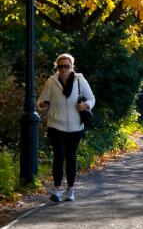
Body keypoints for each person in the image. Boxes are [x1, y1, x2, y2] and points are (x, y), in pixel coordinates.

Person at [37, 53, 95, 202]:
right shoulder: (51, 81)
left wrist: (85, 105)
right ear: (57, 67)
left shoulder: (79, 80)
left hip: (75, 127)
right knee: (58, 156)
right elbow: (42, 100)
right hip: (56, 125)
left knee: (70, 158)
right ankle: (57, 190)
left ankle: (70, 190)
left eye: (66, 66)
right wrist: (42, 104)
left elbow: (91, 98)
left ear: (72, 67)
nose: (63, 69)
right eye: (60, 66)